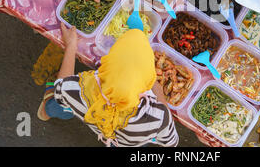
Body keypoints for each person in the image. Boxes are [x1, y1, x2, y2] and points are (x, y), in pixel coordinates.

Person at [37, 23, 179, 147]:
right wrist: (159, 91)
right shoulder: (157, 118)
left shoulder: (84, 89)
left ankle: (47, 111)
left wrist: (71, 46)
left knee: (63, 103)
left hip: (86, 110)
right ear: (148, 81)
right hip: (124, 143)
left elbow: (62, 86)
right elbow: (171, 142)